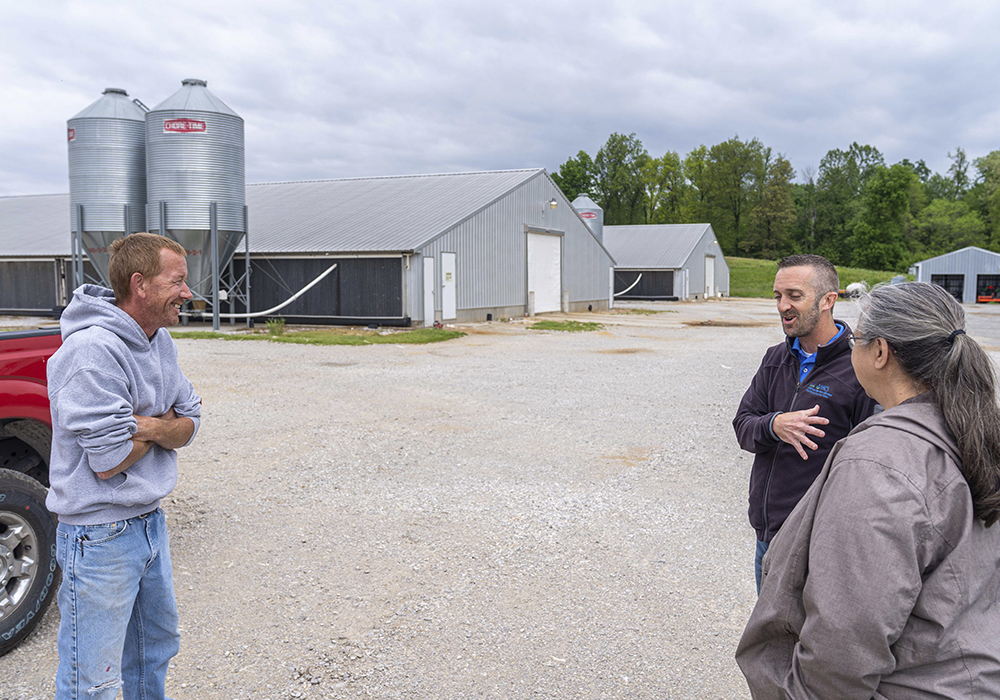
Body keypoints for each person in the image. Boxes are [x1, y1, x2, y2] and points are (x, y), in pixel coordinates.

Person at [736, 281, 1000, 697]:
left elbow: (843, 643)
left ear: (880, 352)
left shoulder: (877, 464)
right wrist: (772, 425)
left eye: (859, 339)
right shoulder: (973, 428)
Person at [46, 232, 202, 700]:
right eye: (177, 281)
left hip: (149, 522)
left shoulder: (161, 342)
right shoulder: (92, 350)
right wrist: (166, 424)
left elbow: (191, 419)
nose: (188, 293)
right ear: (141, 284)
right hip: (98, 537)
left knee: (153, 651)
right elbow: (110, 461)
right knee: (91, 680)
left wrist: (147, 428)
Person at [733, 254, 877, 592]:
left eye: (794, 296)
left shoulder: (859, 368)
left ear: (829, 300)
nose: (783, 306)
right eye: (777, 296)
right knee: (769, 642)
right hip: (769, 536)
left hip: (820, 543)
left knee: (816, 641)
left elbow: (866, 465)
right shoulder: (775, 358)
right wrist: (774, 425)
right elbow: (743, 426)